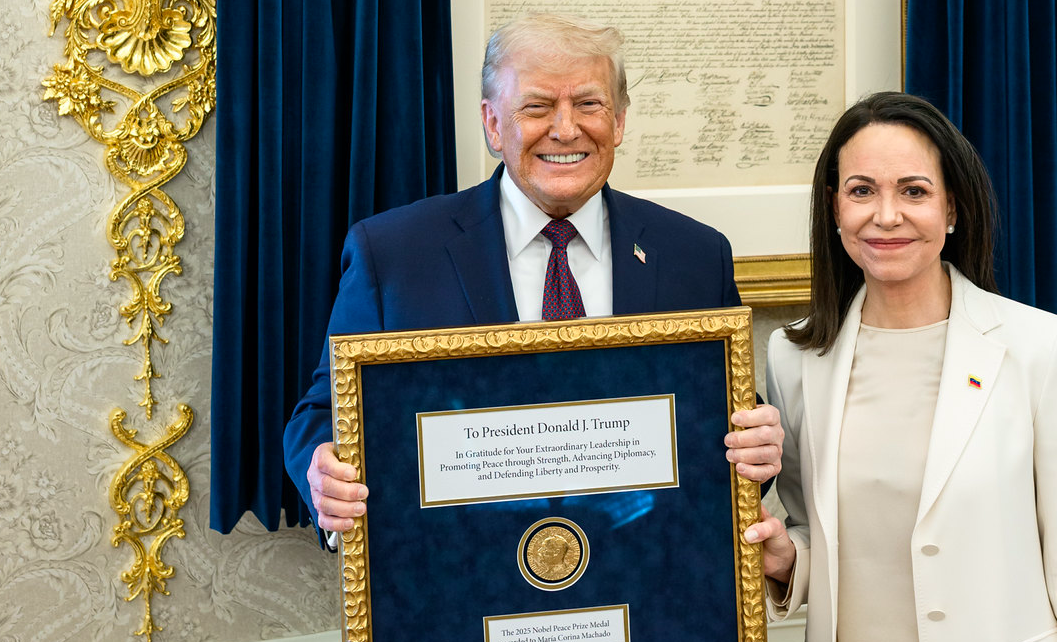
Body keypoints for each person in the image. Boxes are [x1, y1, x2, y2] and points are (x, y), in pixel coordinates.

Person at [283, 14, 783, 542]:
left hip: (645, 574)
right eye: (537, 107)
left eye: (588, 104)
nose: (566, 129)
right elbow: (322, 414)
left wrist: (760, 449)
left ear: (618, 120)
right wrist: (323, 473)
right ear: (493, 124)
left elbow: (726, 421)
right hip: (459, 577)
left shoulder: (695, 255)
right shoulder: (394, 255)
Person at [741, 92, 1057, 642]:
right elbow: (815, 531)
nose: (886, 215)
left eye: (914, 191)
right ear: (835, 208)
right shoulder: (795, 357)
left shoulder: (1040, 349)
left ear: (951, 209)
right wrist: (785, 558)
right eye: (862, 190)